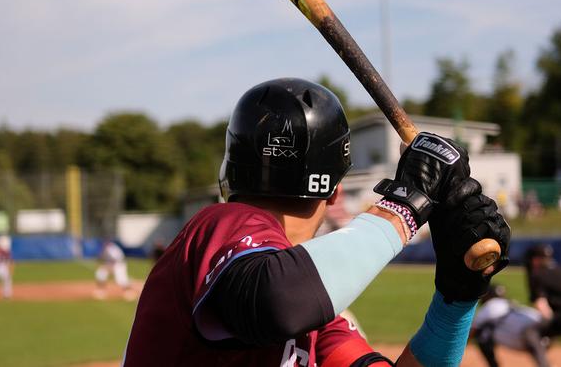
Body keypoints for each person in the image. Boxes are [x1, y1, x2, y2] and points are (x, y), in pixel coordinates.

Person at [123, 78, 511, 366]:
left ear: (231, 175)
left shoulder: (317, 307)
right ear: (335, 191)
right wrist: (406, 205)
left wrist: (456, 299)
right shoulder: (224, 225)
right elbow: (276, 299)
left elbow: (295, 295)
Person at [470, 285, 549, 367]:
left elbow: (473, 330)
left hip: (527, 337)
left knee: (483, 333)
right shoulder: (509, 303)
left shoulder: (490, 305)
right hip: (545, 335)